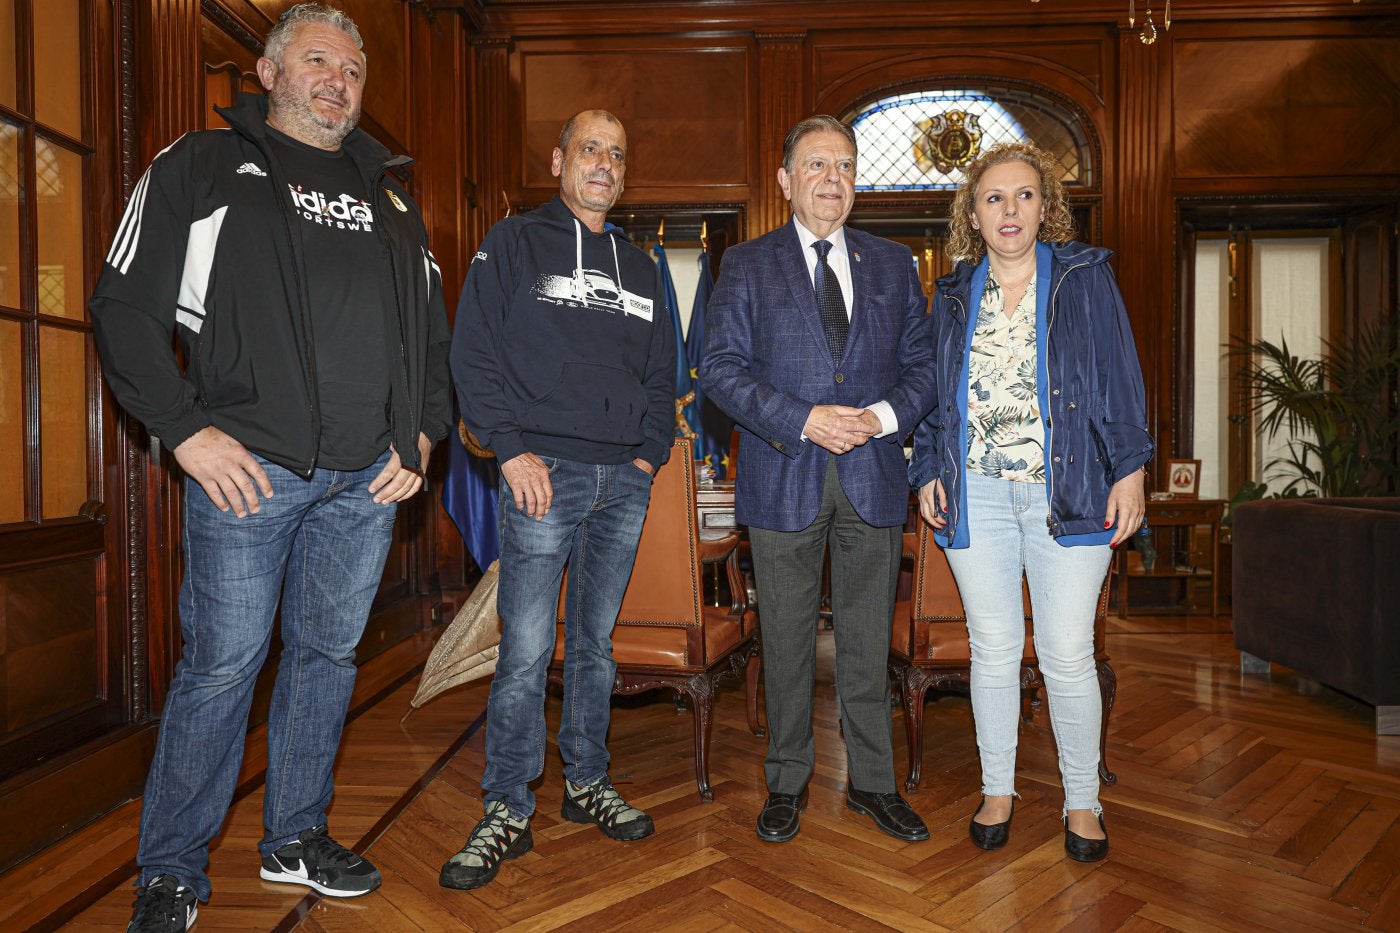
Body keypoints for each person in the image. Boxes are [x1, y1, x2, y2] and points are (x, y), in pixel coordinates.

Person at [90, 4, 452, 929]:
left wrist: (420, 435)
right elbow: (123, 308)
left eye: (354, 69)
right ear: (269, 70)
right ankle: (171, 867)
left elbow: (429, 337)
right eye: (320, 60)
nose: (340, 80)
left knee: (328, 657)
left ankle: (295, 833)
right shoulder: (203, 167)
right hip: (250, 474)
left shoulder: (393, 196)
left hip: (367, 482)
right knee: (222, 666)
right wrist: (184, 431)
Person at [442, 109, 676, 891]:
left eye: (616, 151)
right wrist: (509, 449)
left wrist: (648, 457)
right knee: (524, 651)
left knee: (597, 648)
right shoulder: (512, 244)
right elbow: (471, 351)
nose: (603, 163)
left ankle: (586, 782)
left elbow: (662, 374)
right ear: (558, 161)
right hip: (542, 474)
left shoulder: (642, 268)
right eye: (589, 150)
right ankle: (506, 805)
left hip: (623, 483)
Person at [909, 142, 1152, 863]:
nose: (1008, 210)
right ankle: (998, 788)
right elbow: (930, 396)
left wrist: (1131, 470)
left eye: (1022, 196)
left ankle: (1083, 800)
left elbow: (1120, 375)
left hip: (1072, 492)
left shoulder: (1084, 278)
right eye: (993, 198)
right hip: (975, 495)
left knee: (1068, 654)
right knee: (992, 651)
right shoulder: (952, 295)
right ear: (973, 215)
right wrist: (927, 466)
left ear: (1044, 207)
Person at [701, 115, 938, 844]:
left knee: (868, 641)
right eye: (815, 165)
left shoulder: (896, 264)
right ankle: (787, 780)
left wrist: (881, 415)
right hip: (783, 474)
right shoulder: (745, 263)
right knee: (787, 638)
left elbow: (926, 369)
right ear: (785, 180)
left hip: (870, 476)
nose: (831, 179)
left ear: (856, 179)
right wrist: (804, 419)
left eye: (843, 165)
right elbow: (718, 370)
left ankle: (873, 782)